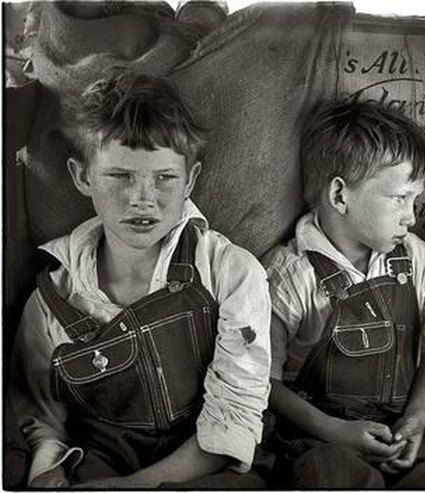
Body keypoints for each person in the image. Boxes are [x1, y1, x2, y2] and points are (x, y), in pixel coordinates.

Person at [9, 70, 272, 488]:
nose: (142, 198)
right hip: (99, 463)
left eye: (164, 177)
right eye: (120, 176)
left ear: (191, 179)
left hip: (207, 468)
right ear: (82, 176)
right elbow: (42, 418)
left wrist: (131, 488)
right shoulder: (49, 303)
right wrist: (51, 470)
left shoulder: (232, 273)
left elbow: (234, 421)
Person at [262, 100, 425, 488]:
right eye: (400, 198)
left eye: (415, 200)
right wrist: (334, 430)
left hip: (399, 432)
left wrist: (416, 422)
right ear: (339, 196)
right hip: (318, 437)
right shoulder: (288, 275)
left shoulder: (417, 259)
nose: (412, 216)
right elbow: (265, 383)